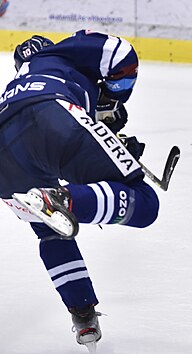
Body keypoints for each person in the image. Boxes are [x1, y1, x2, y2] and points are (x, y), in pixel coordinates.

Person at [0, 30, 159, 348]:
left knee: (50, 230)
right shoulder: (65, 54)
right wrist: (115, 96)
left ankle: (82, 312)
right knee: (145, 203)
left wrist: (112, 142)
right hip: (52, 115)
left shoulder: (19, 84)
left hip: (4, 152)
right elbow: (120, 54)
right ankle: (64, 198)